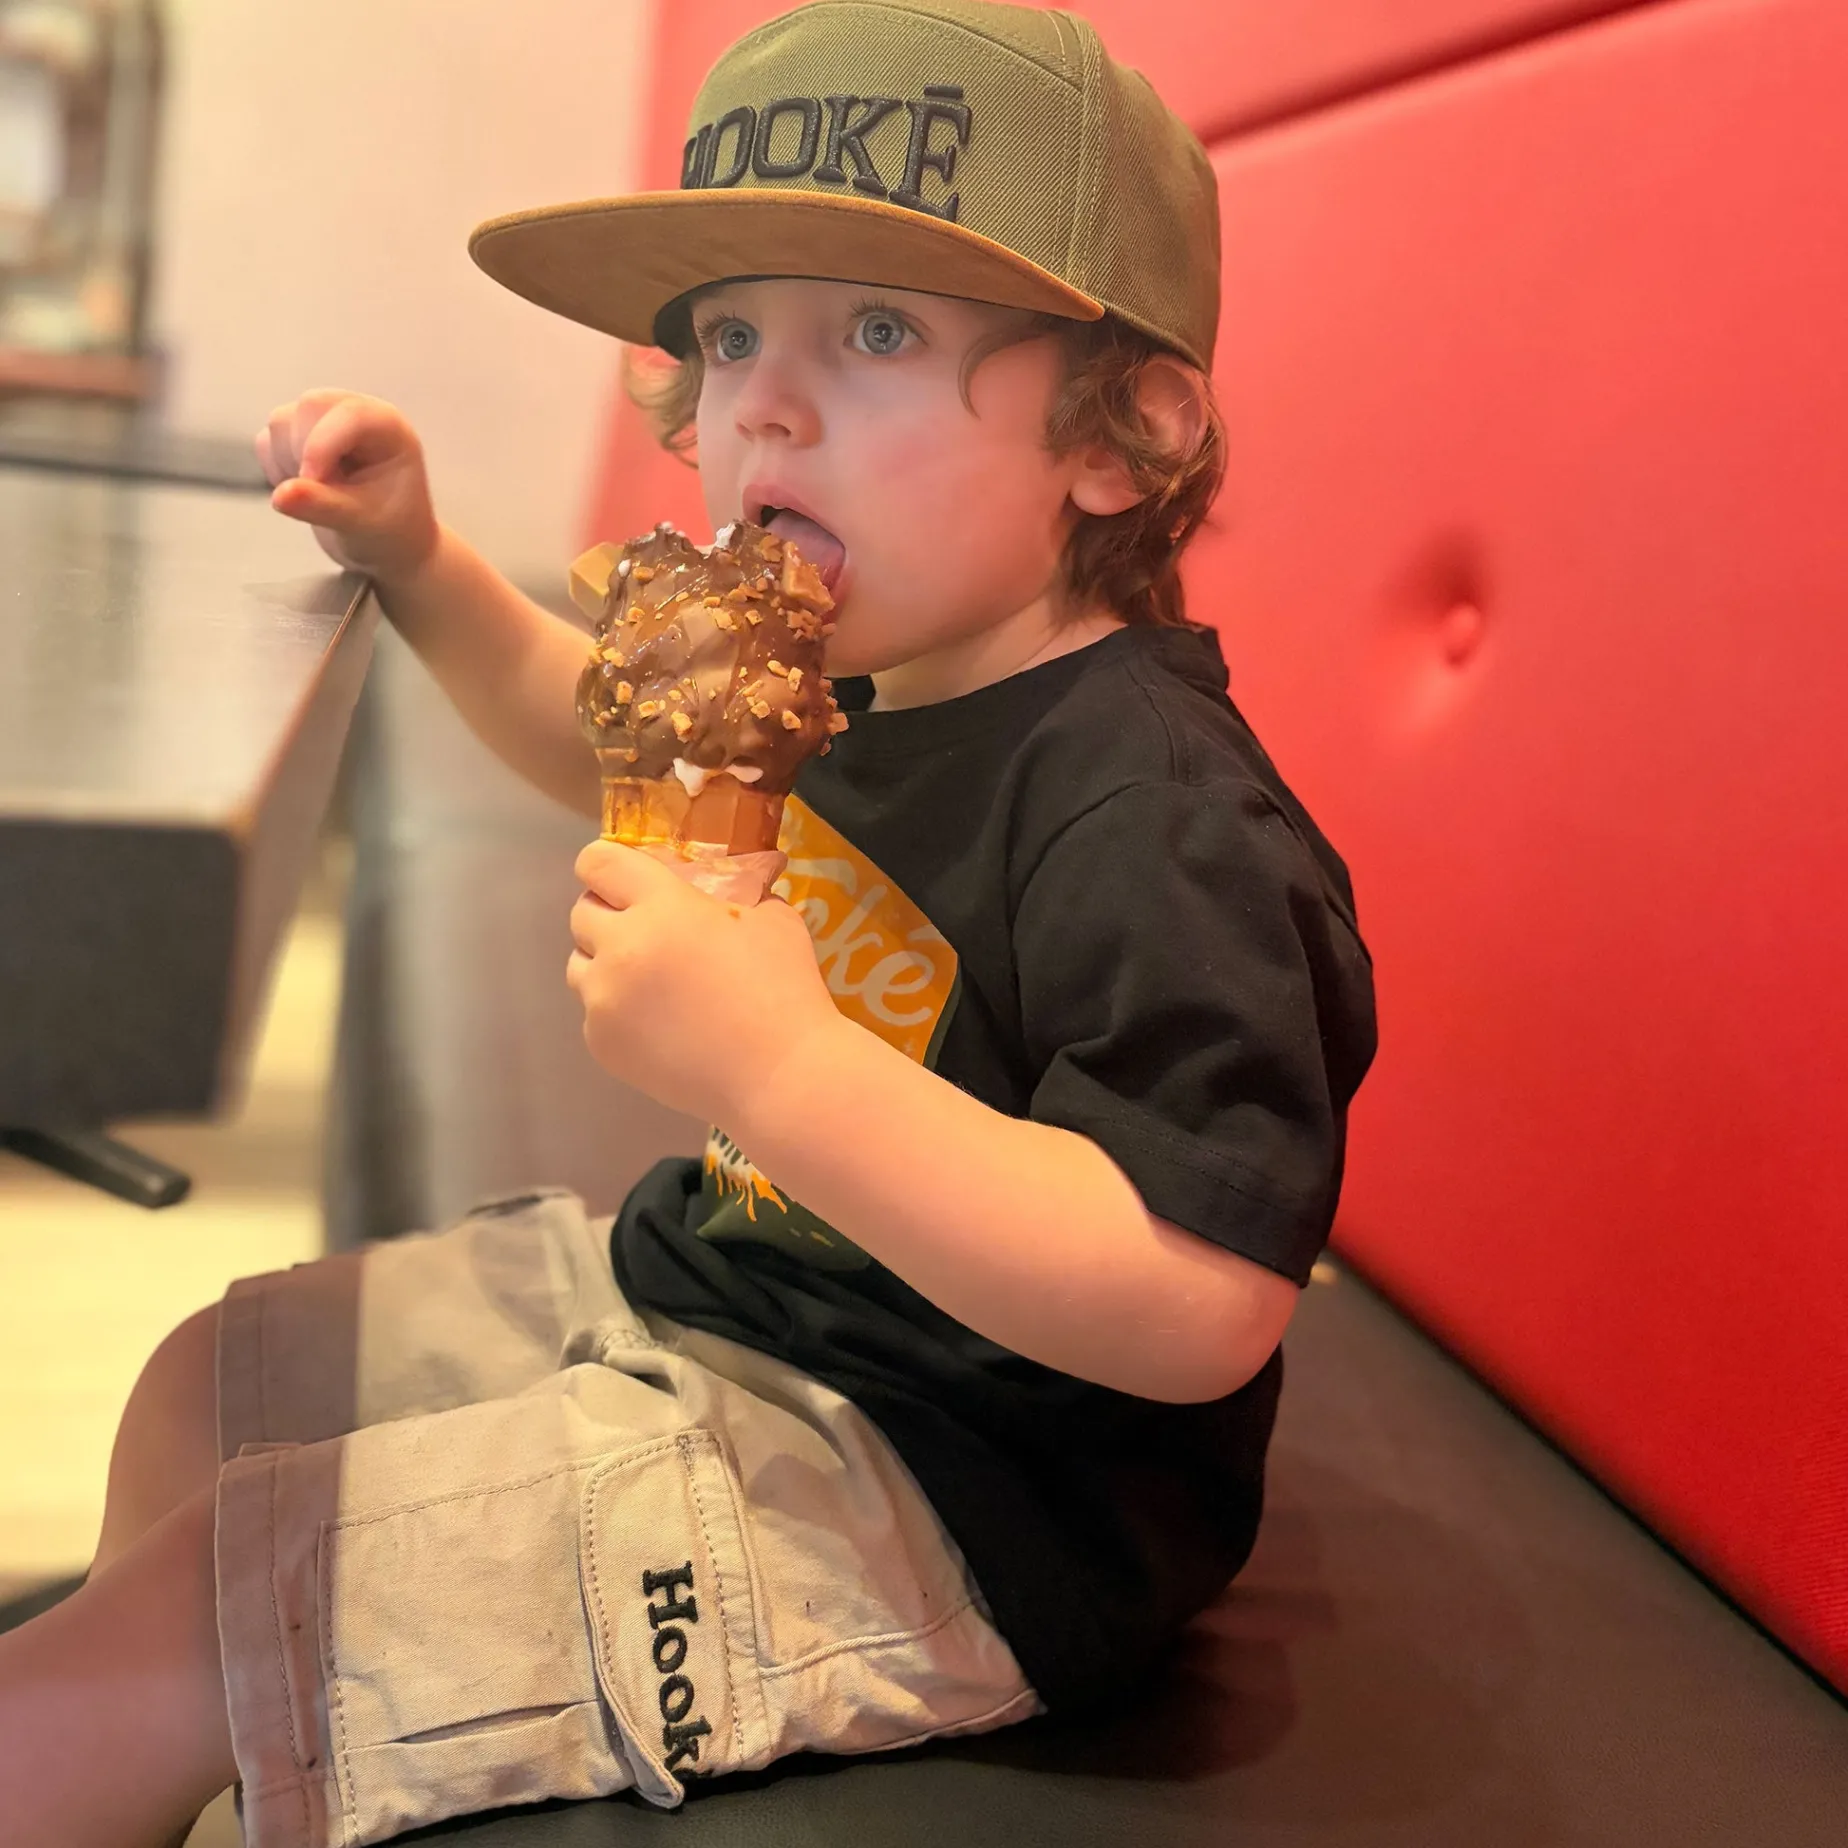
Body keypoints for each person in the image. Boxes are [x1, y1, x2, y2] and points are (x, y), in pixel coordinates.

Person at [0, 3, 1375, 1843]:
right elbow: (593, 739)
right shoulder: (849, 666)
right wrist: (421, 560)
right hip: (730, 1287)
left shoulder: (1159, 814)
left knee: (198, 1617)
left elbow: (1198, 1303)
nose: (765, 407)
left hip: (959, 1493)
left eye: (876, 332)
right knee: (205, 1387)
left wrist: (779, 1069)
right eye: (731, 337)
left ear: (1121, 435)